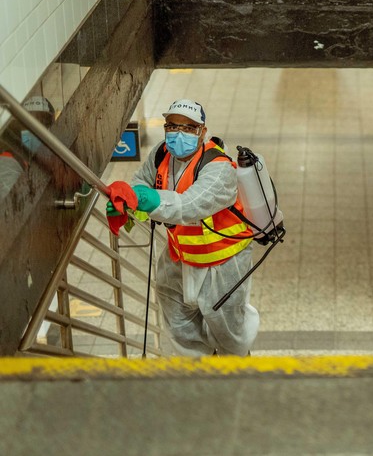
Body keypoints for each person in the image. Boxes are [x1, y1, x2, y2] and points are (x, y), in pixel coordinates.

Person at [107, 99, 259, 356]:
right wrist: (131, 202)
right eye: (172, 126)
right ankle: (198, 373)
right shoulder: (161, 153)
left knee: (227, 327)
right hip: (180, 256)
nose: (179, 133)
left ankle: (237, 369)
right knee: (178, 322)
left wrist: (148, 200)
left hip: (222, 262)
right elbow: (142, 180)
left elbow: (189, 206)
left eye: (188, 128)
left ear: (203, 131)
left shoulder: (219, 168)